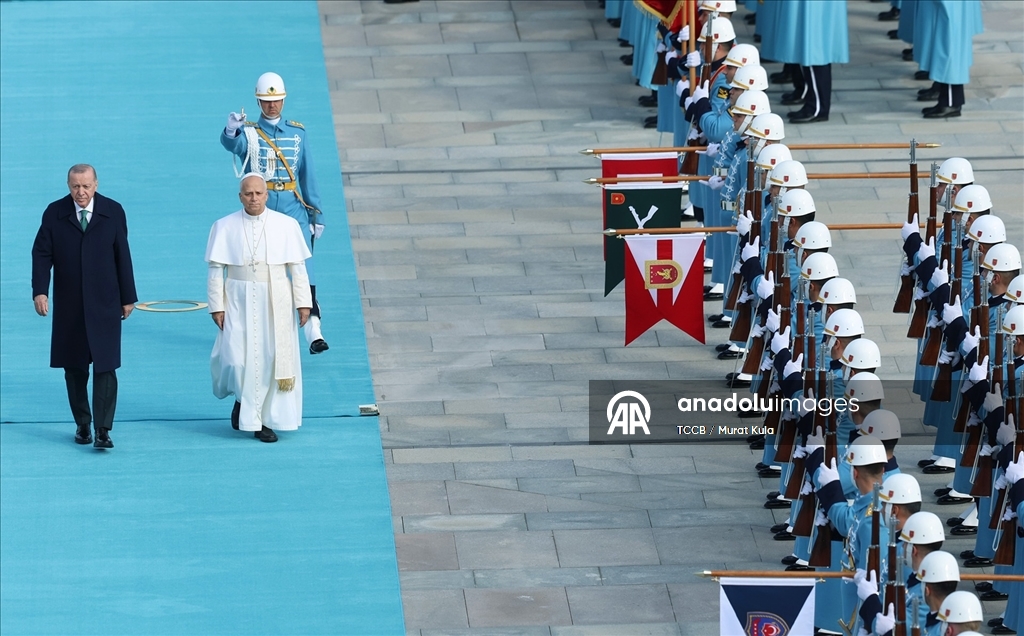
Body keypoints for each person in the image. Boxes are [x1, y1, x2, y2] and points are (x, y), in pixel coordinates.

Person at [221, 72, 328, 355]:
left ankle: (314, 331)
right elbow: (234, 146)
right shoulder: (250, 133)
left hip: (293, 209)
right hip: (262, 209)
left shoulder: (298, 133)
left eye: (277, 100)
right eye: (267, 100)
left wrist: (316, 214)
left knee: (304, 268)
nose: (272, 105)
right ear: (258, 101)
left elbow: (308, 175)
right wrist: (231, 130)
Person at [31, 164, 137, 450]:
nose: (81, 192)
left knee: (106, 366)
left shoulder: (113, 211)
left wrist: (128, 297)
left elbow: (122, 254)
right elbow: (41, 253)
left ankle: (103, 429)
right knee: (74, 367)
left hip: (106, 302)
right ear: (68, 186)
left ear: (96, 185)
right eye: (75, 186)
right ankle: (82, 424)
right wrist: (40, 291)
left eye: (86, 186)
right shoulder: (54, 212)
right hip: (70, 305)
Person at [205, 174, 312, 443]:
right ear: (240, 197)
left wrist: (303, 304)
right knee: (235, 359)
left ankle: (261, 421)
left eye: (258, 193)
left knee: (269, 359)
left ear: (266, 195)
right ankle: (242, 399)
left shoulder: (286, 225)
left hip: (276, 298)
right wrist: (216, 306)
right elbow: (216, 270)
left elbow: (298, 268)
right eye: (248, 194)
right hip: (238, 298)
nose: (254, 198)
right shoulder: (223, 226)